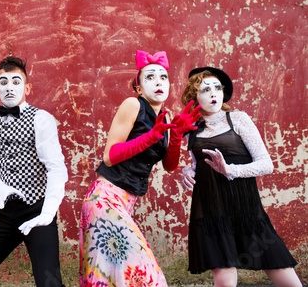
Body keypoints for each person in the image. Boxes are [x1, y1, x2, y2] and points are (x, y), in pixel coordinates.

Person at [79, 50, 201, 287]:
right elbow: (110, 155)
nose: (158, 82)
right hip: (104, 199)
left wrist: (174, 136)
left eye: (163, 77)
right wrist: (150, 137)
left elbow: (169, 166)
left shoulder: (164, 120)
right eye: (150, 77)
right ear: (138, 87)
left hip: (126, 203)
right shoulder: (132, 104)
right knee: (146, 275)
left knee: (112, 279)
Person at [180, 67, 302, 287]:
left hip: (246, 212)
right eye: (205, 90)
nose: (213, 93)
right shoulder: (191, 131)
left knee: (289, 281)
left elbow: (267, 164)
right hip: (212, 212)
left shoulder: (237, 119)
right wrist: (189, 171)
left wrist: (231, 170)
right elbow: (200, 164)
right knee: (225, 281)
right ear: (193, 97)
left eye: (217, 88)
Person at [0, 56, 68, 287]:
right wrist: (0, 187)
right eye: (3, 82)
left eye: (16, 81)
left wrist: (47, 214)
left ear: (27, 88)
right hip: (7, 211)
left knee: (49, 284)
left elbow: (56, 169)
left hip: (37, 208)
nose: (9, 87)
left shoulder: (41, 119)